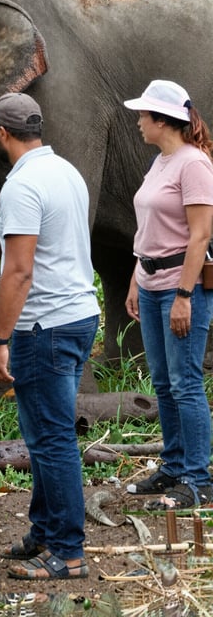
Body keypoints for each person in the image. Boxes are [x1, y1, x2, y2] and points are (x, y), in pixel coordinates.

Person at [0, 92, 99, 581]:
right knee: (46, 433)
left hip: (43, 324)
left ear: (3, 133)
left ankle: (67, 553)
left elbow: (19, 272)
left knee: (51, 439)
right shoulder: (66, 171)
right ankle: (45, 531)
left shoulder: (22, 185)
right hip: (80, 314)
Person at [123, 80, 213, 510]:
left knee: (185, 382)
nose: (139, 122)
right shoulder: (159, 162)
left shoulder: (193, 164)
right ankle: (174, 466)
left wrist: (184, 296)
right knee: (162, 381)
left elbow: (200, 236)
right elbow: (149, 229)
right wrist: (135, 279)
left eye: (143, 115)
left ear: (162, 120)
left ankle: (199, 478)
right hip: (151, 283)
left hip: (181, 286)